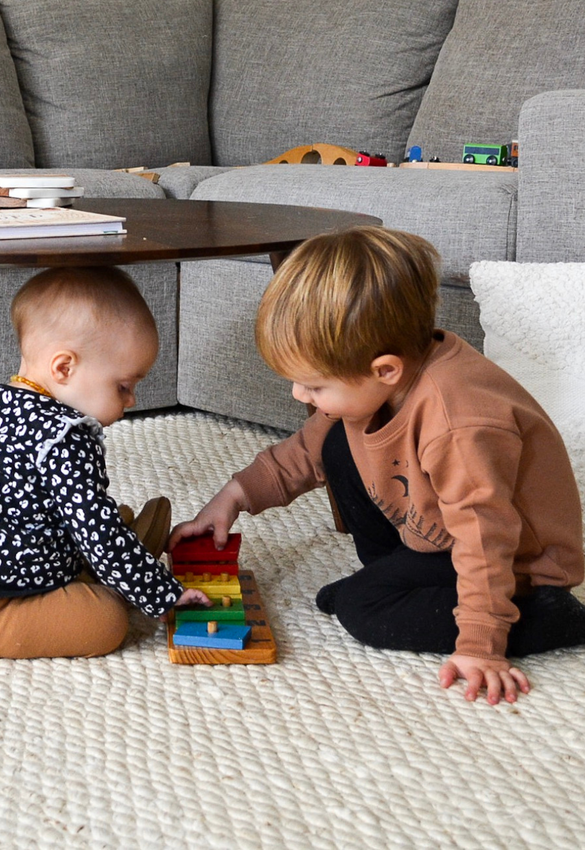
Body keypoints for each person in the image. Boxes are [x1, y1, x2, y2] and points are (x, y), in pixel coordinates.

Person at [170, 226, 585, 704]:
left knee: (362, 610)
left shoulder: (458, 423)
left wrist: (480, 644)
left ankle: (552, 617)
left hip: (515, 565)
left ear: (385, 369)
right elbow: (304, 452)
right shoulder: (381, 382)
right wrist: (233, 497)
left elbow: (483, 537)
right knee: (334, 442)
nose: (299, 395)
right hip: (436, 536)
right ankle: (390, 576)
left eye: (314, 386)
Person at [0, 266, 208, 659]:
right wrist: (161, 595)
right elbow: (96, 530)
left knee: (84, 521)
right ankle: (121, 574)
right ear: (64, 368)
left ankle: (117, 562)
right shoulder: (64, 437)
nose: (131, 400)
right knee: (106, 620)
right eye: (123, 386)